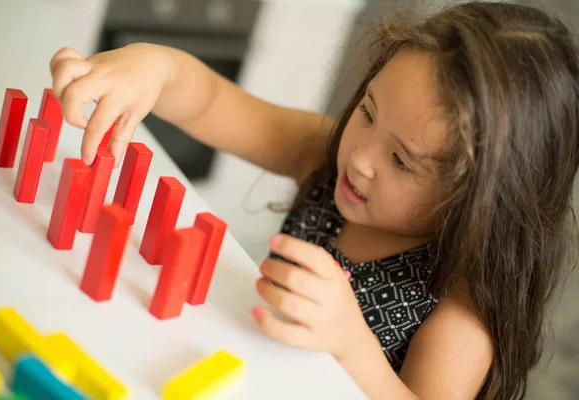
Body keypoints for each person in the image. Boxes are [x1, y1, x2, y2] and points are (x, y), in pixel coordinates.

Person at [49, 1, 579, 399]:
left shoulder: (460, 309)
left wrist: (352, 344)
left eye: (402, 161)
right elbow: (211, 100)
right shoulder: (325, 158)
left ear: (483, 202)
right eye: (368, 112)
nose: (361, 157)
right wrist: (156, 68)